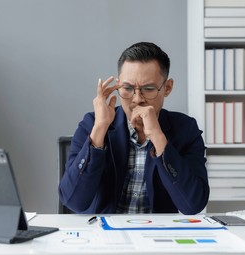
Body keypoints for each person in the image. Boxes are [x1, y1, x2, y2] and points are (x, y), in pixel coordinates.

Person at [58, 42, 209, 215]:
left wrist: (158, 137)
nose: (137, 99)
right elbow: (73, 201)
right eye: (128, 88)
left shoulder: (185, 129)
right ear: (118, 85)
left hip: (157, 235)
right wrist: (100, 129)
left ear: (167, 88)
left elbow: (193, 205)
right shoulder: (93, 123)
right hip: (103, 233)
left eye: (149, 89)